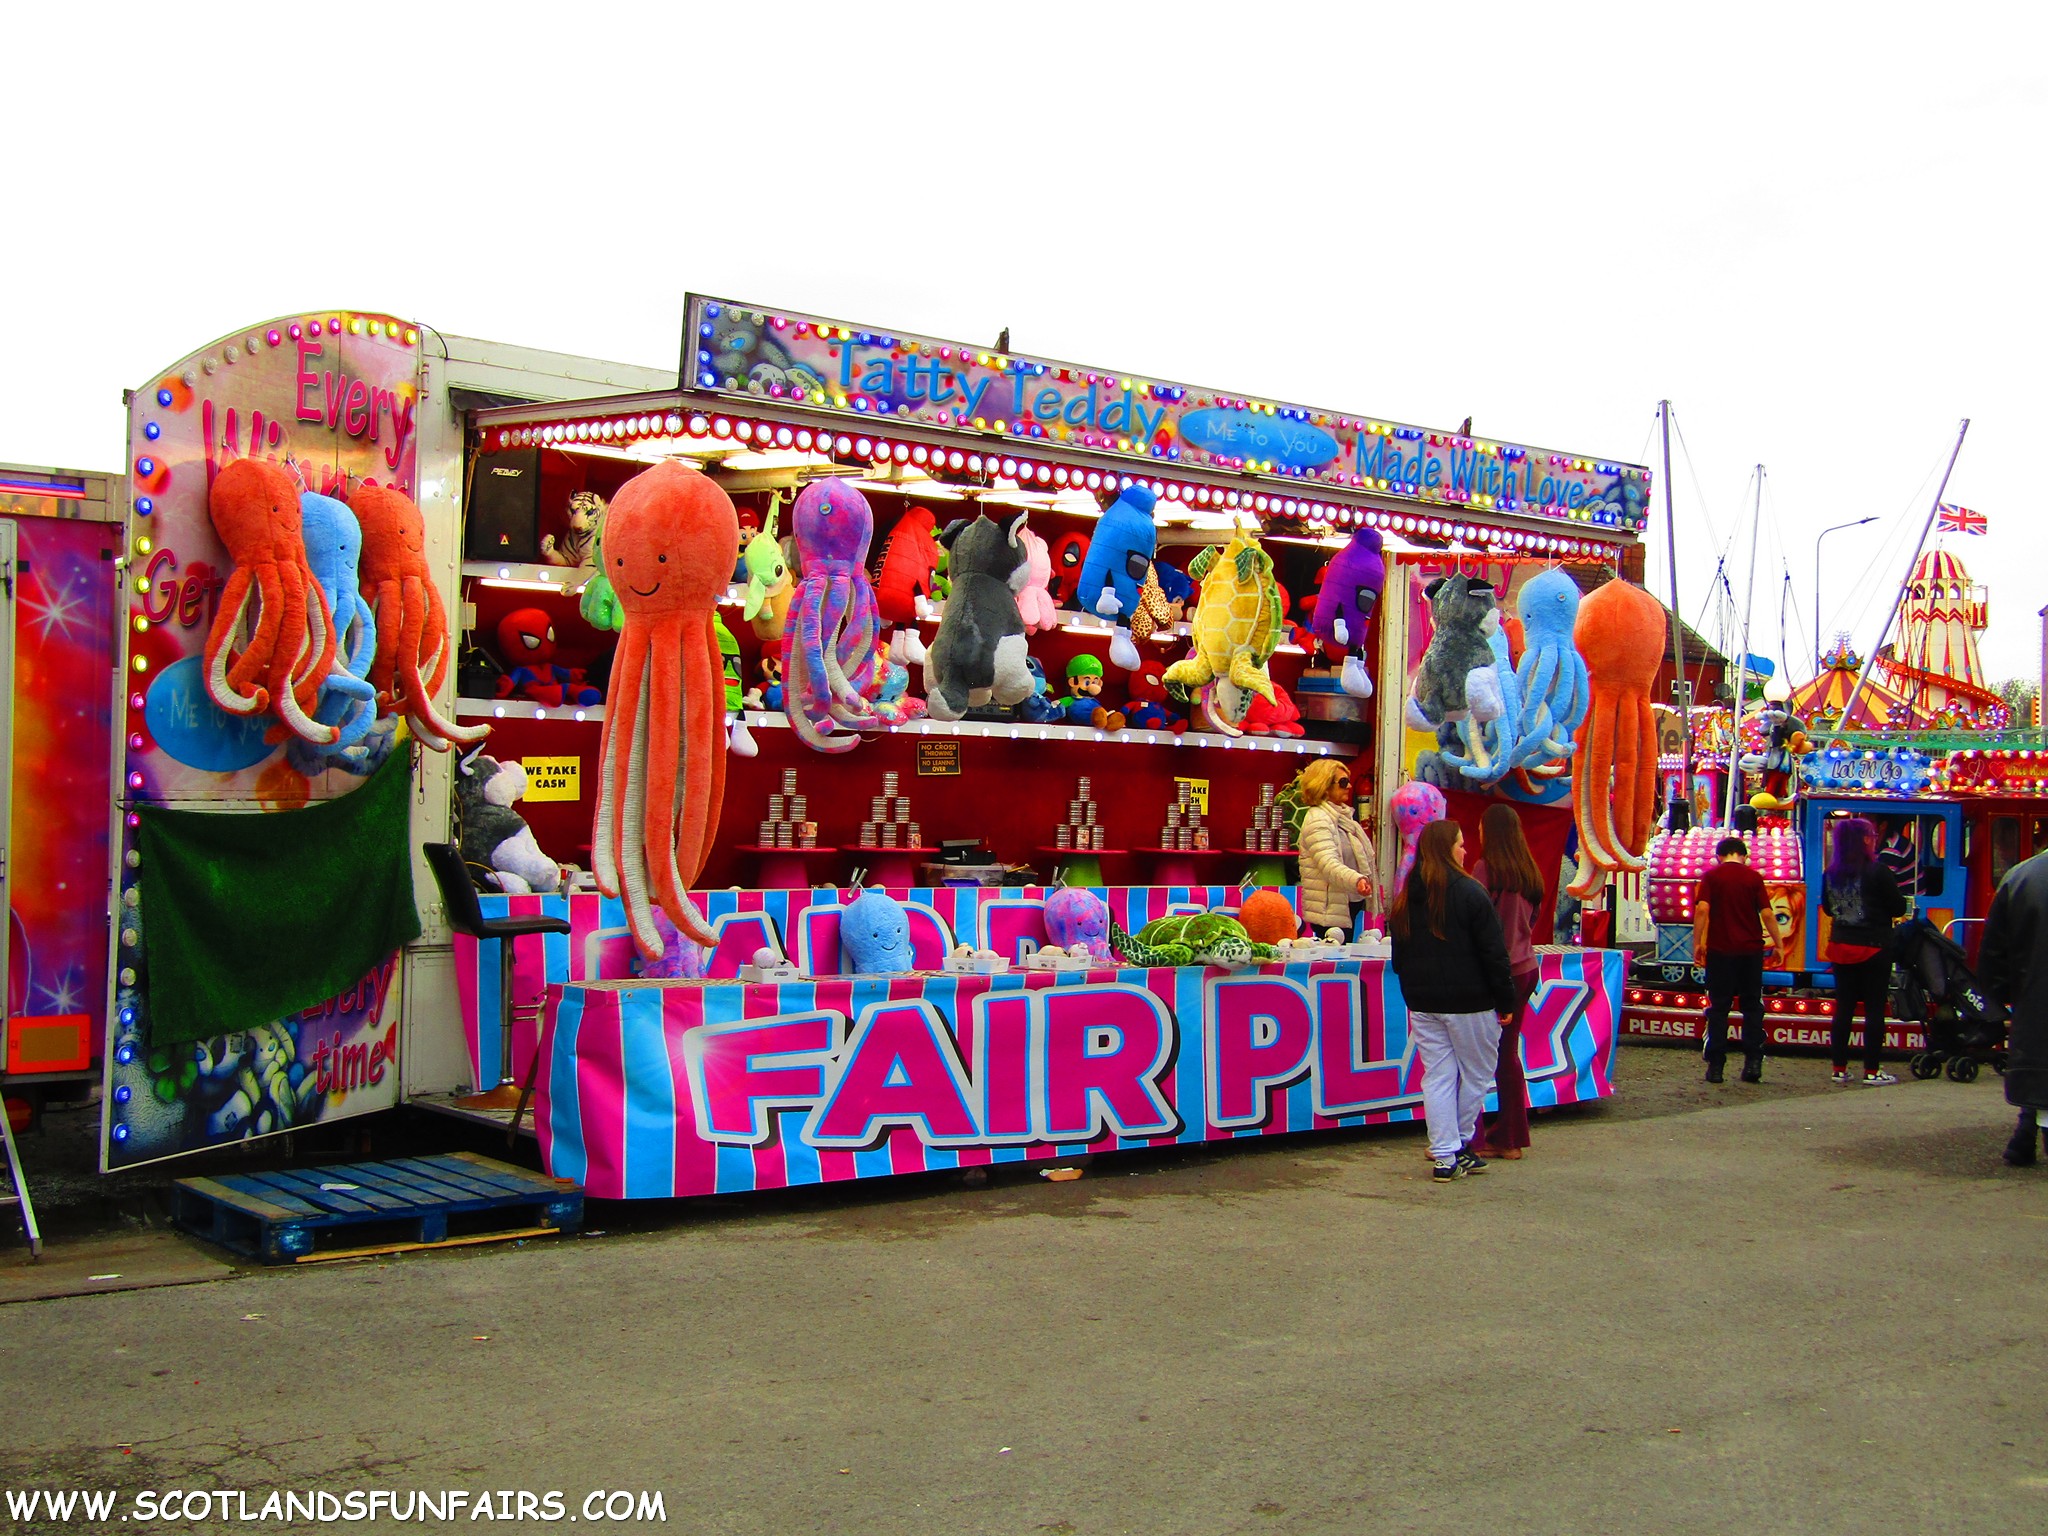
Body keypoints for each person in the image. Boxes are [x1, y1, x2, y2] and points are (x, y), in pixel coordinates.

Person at [1390, 819, 1515, 1182]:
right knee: (1476, 1074)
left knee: (1439, 1076)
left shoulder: (1406, 895)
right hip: (1470, 1000)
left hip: (1422, 999)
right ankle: (1456, 1144)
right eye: (1460, 844)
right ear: (1448, 848)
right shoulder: (1471, 892)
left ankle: (1447, 1153)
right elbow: (1494, 953)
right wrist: (1506, 999)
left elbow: (1399, 955)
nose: (1465, 849)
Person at [1471, 803, 1542, 1159]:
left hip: (1496, 971)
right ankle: (1511, 1136)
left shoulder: (1486, 870)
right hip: (1526, 968)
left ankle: (1472, 1136)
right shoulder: (1528, 871)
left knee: (1474, 1056)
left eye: (1482, 826)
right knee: (1507, 1054)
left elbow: (1476, 919)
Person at [1820, 816, 1909, 1085]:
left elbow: (1826, 908)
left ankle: (1838, 1068)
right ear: (1863, 840)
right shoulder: (1878, 871)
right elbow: (1897, 908)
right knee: (1873, 1010)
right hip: (1874, 947)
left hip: (1841, 945)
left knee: (1843, 1008)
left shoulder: (1830, 874)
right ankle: (1871, 1070)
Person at [1974, 850, 2048, 1166]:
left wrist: (1994, 1003)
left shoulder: (2020, 876)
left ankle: (2026, 1130)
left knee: (2040, 1074)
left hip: (2036, 1005)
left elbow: (1994, 956)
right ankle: (2025, 1130)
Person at [1692, 836, 1775, 1083]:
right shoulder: (1754, 878)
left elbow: (1703, 909)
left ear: (1719, 856)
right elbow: (1768, 913)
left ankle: (1716, 1066)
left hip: (1720, 951)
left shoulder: (1711, 877)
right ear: (1743, 855)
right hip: (1751, 951)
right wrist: (1778, 942)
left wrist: (1698, 943)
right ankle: (1752, 1062)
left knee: (1718, 1008)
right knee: (1752, 1007)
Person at [1295, 758, 1381, 940]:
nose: (1349, 786)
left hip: (1347, 900)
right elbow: (1328, 864)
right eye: (1343, 782)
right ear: (1324, 786)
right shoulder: (1318, 819)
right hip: (1329, 908)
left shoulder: (1344, 818)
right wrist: (1357, 879)